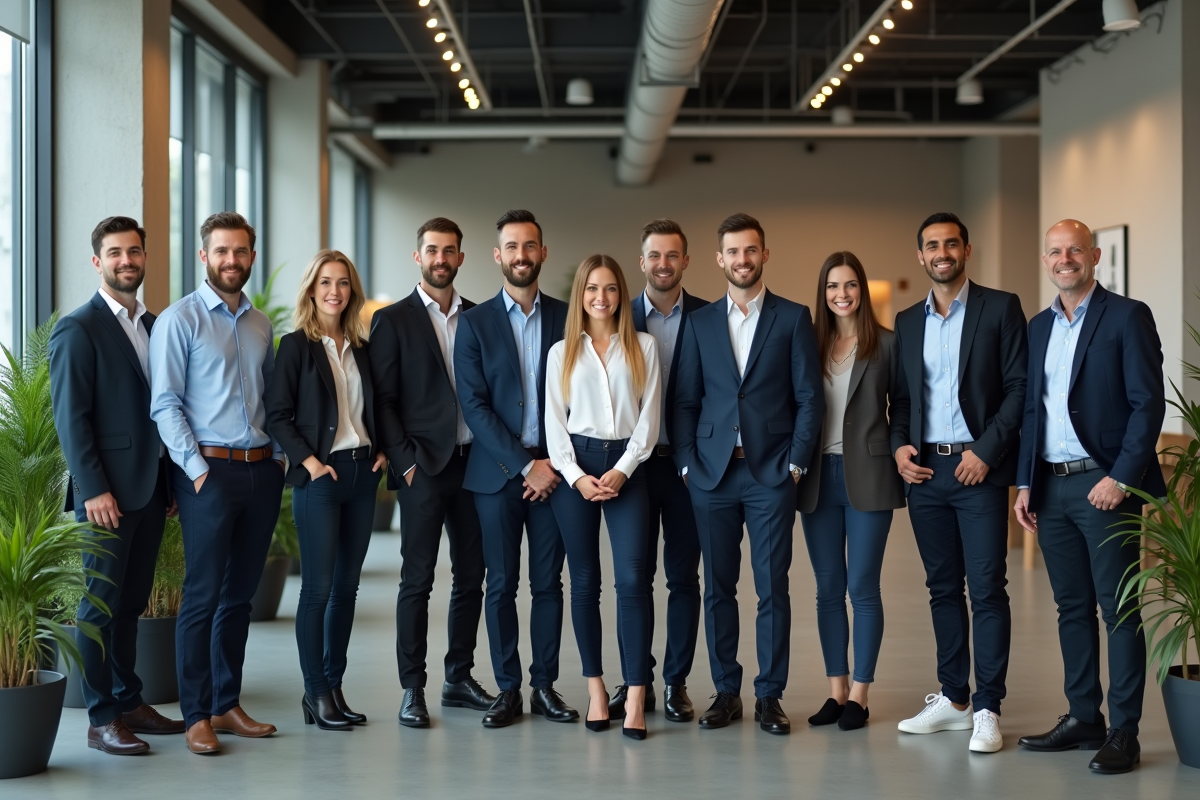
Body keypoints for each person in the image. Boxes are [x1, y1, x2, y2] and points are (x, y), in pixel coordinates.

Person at [1013, 220, 1164, 775]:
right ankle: (1084, 717)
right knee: (1070, 607)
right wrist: (1026, 482)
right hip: (1050, 486)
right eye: (1055, 251)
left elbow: (1147, 405)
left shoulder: (1127, 316)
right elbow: (1033, 411)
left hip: (1106, 486)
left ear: (1094, 255)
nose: (1065, 258)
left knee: (1118, 611)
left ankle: (1125, 731)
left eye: (1075, 249)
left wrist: (1121, 477)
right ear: (1046, 259)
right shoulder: (1038, 327)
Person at [673, 212, 822, 735]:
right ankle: (727, 691)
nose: (742, 260)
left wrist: (796, 463)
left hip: (771, 476)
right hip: (710, 476)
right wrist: (688, 462)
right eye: (733, 252)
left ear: (764, 254)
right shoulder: (699, 322)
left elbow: (809, 397)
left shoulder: (793, 317)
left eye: (750, 250)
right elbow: (686, 400)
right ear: (720, 259)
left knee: (771, 587)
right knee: (717, 587)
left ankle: (769, 695)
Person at [890, 211, 1026, 754]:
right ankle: (954, 699)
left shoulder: (1001, 307)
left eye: (950, 243)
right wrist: (900, 444)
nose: (941, 252)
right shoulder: (906, 321)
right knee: (942, 589)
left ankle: (988, 708)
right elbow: (902, 400)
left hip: (980, 471)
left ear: (966, 250)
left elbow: (1018, 389)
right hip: (926, 473)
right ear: (919, 256)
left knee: (988, 590)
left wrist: (986, 452)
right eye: (931, 246)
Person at [149, 211, 285, 755]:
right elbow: (165, 404)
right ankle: (196, 714)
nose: (232, 260)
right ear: (203, 256)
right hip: (207, 472)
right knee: (202, 596)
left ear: (251, 256)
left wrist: (275, 457)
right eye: (221, 251)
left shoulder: (260, 325)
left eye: (241, 251)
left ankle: (227, 704)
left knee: (239, 597)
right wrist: (198, 471)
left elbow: (272, 398)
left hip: (259, 471)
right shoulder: (179, 320)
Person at [48, 216, 185, 755]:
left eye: (134, 251)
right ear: (97, 261)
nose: (126, 261)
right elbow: (71, 419)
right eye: (115, 253)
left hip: (151, 487)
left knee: (131, 602)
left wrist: (168, 482)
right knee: (99, 606)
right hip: (106, 494)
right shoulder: (78, 328)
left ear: (145, 257)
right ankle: (100, 716)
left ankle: (129, 700)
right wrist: (93, 488)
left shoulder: (154, 324)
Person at [453, 209, 578, 728]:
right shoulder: (475, 322)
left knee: (549, 585)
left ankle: (544, 685)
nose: (521, 255)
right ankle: (508, 688)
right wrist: (526, 465)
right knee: (501, 584)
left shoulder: (569, 317)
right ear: (497, 255)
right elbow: (474, 405)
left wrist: (552, 465)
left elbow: (580, 397)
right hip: (498, 476)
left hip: (556, 475)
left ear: (542, 253)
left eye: (530, 246)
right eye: (512, 246)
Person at [369, 218, 493, 728]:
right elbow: (383, 400)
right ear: (417, 257)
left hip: (477, 468)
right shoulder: (392, 321)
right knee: (416, 581)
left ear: (461, 258)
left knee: (471, 578)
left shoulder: (483, 318)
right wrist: (406, 462)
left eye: (450, 251)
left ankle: (458, 677)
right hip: (424, 469)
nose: (441, 258)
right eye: (432, 250)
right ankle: (412, 687)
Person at [267, 249, 386, 731]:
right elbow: (277, 415)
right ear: (312, 290)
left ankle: (334, 688)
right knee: (316, 590)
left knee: (347, 589)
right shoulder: (295, 347)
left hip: (362, 475)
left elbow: (375, 406)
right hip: (321, 479)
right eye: (325, 282)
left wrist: (382, 451)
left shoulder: (362, 346)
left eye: (342, 282)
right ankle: (315, 692)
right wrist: (311, 462)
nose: (334, 291)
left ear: (351, 291)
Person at [545, 255, 662, 740]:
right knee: (585, 582)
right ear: (581, 294)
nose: (601, 297)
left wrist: (621, 471)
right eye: (592, 288)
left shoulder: (645, 347)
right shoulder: (560, 353)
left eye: (611, 288)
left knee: (634, 581)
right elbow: (554, 425)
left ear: (621, 294)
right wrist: (575, 476)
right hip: (576, 466)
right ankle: (595, 690)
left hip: (629, 467)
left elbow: (650, 420)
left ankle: (635, 695)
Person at [798, 252, 904, 732]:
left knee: (862, 587)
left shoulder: (885, 344)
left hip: (871, 475)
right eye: (832, 286)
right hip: (819, 478)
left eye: (850, 285)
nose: (841, 294)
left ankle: (861, 693)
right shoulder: (810, 344)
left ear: (861, 289)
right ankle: (836, 690)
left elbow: (902, 408)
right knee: (826, 589)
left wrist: (902, 450)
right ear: (822, 293)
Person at [616, 219, 707, 723]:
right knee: (632, 580)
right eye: (654, 255)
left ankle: (675, 682)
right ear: (642, 260)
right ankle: (636, 680)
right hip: (632, 468)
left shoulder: (709, 318)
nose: (663, 264)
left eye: (672, 255)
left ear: (686, 262)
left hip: (687, 468)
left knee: (682, 579)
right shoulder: (617, 317)